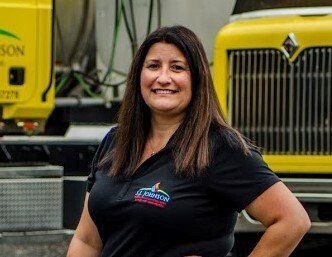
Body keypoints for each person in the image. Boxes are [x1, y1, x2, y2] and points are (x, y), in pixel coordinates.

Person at [66, 25, 311, 257]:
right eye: (153, 66)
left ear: (197, 78)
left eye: (177, 68)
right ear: (138, 76)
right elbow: (87, 240)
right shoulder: (116, 142)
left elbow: (292, 220)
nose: (163, 78)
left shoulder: (220, 148)